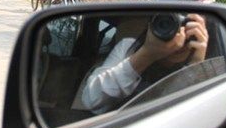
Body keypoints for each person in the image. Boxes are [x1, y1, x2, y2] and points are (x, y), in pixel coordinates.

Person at [81, 14, 209, 113]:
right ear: (151, 28)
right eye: (167, 25)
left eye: (186, 28)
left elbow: (196, 112)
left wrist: (196, 64)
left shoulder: (201, 60)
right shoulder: (129, 48)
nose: (177, 36)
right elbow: (90, 99)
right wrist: (146, 54)